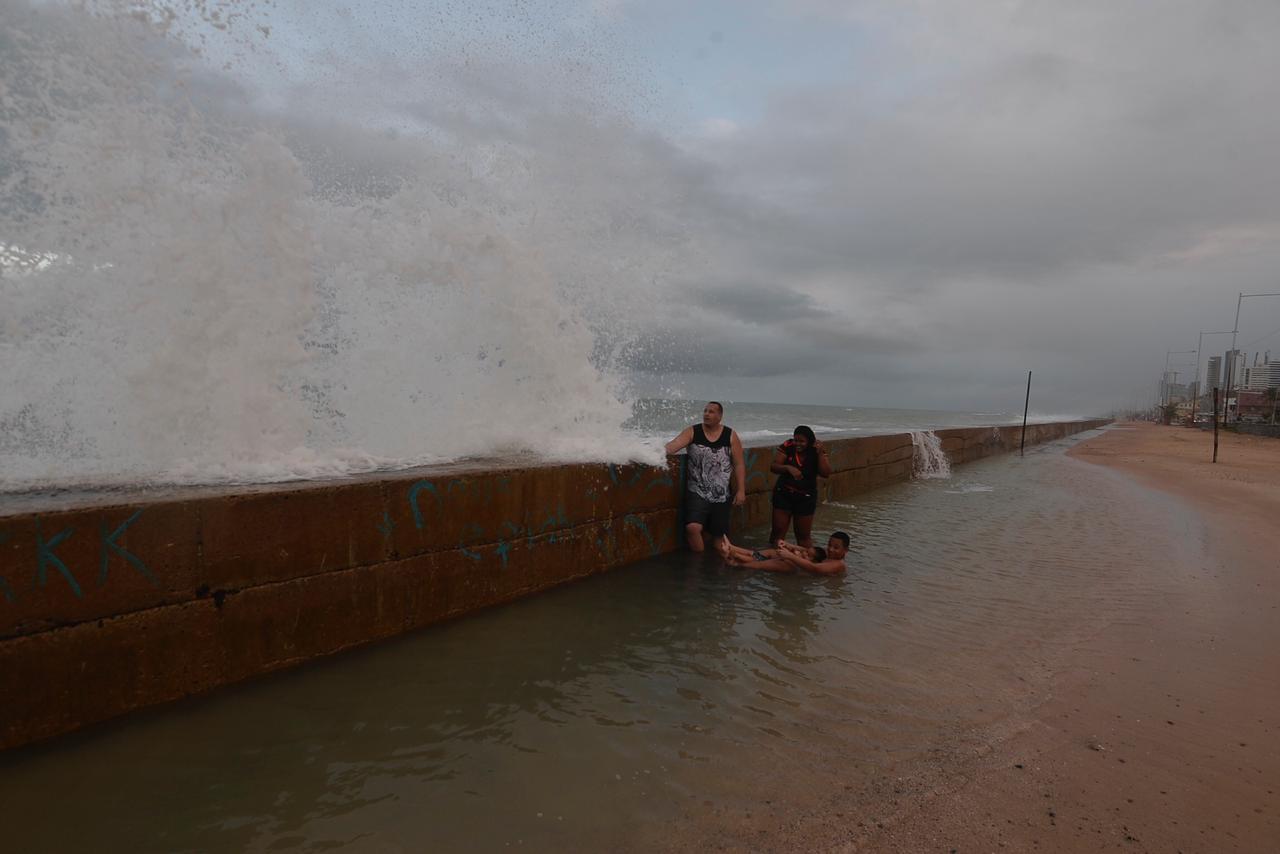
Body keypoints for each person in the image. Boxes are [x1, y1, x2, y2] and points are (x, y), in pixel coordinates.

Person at [664, 401, 746, 552]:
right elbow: (673, 446)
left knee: (718, 538)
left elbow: (739, 464)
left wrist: (741, 490)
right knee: (693, 528)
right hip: (697, 491)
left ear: (720, 416)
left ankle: (712, 570)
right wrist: (651, 452)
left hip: (721, 494)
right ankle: (698, 561)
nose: (706, 414)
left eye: (711, 411)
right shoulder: (693, 431)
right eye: (705, 411)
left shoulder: (730, 435)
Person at [769, 425, 832, 548]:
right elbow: (774, 467)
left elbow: (826, 473)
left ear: (809, 441)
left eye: (802, 441)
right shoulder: (788, 445)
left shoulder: (816, 450)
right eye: (796, 440)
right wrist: (787, 467)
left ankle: (807, 563)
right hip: (784, 493)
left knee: (803, 536)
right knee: (778, 531)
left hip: (806, 497)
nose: (798, 444)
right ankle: (772, 557)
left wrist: (820, 454)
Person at [718, 532, 850, 576]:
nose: (831, 549)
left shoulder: (838, 564)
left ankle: (734, 558)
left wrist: (790, 555)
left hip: (798, 571)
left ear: (845, 551)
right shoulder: (828, 555)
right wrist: (789, 546)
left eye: (836, 548)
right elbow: (808, 551)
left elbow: (815, 568)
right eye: (829, 545)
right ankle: (733, 549)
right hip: (798, 567)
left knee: (769, 564)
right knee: (773, 552)